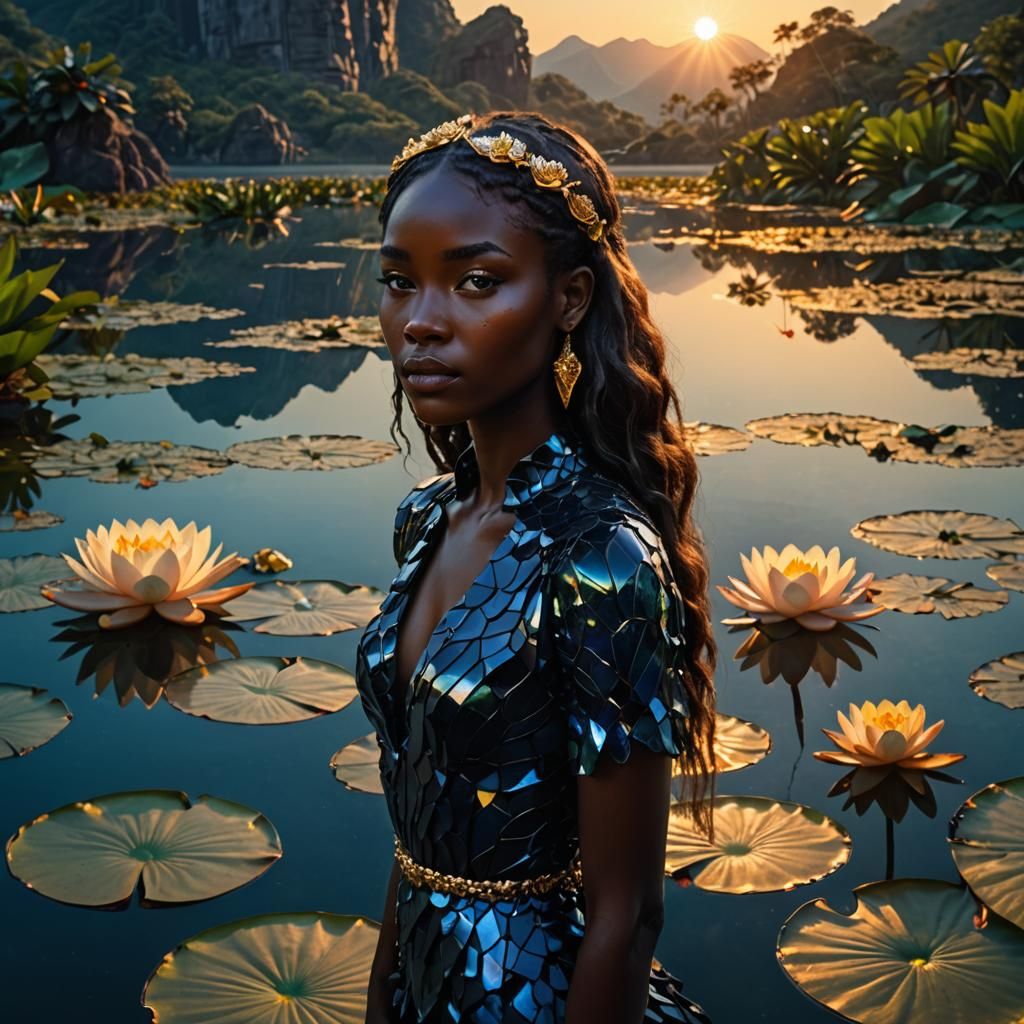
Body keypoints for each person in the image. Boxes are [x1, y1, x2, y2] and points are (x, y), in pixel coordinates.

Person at [355, 111, 718, 1024]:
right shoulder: (426, 519)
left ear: (569, 298)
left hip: (545, 998)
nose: (422, 324)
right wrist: (381, 994)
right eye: (400, 283)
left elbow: (629, 915)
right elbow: (417, 829)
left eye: (477, 282)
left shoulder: (600, 554)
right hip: (419, 984)